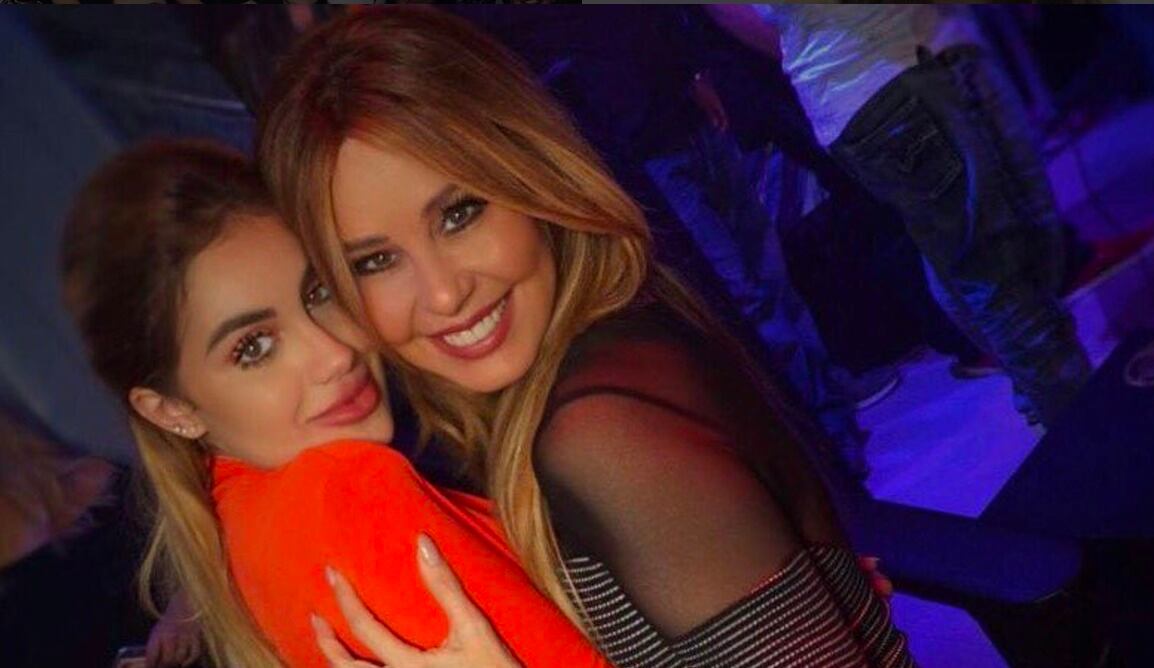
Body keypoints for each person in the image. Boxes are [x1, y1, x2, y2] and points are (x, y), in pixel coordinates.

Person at [258, 7, 912, 666]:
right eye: (375, 261)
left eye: (459, 214)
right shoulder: (605, 353)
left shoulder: (603, 432)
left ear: (531, 173)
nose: (443, 294)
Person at [59, 139, 611, 667]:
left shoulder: (241, 533)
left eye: (319, 292)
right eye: (254, 348)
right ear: (170, 410)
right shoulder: (348, 490)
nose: (335, 355)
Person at [706, 4, 1093, 427]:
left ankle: (1036, 387)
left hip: (933, 46)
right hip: (879, 84)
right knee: (1001, 275)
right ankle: (1082, 424)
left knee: (1021, 243)